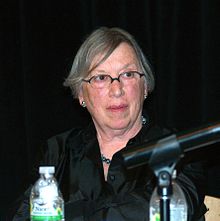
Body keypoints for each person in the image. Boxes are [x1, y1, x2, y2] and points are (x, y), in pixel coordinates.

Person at [11, 27, 207, 221]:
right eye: (101, 77)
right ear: (81, 94)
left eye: (128, 74)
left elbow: (169, 210)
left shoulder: (180, 148)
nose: (116, 90)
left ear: (145, 86)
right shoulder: (57, 152)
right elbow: (22, 217)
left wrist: (70, 213)